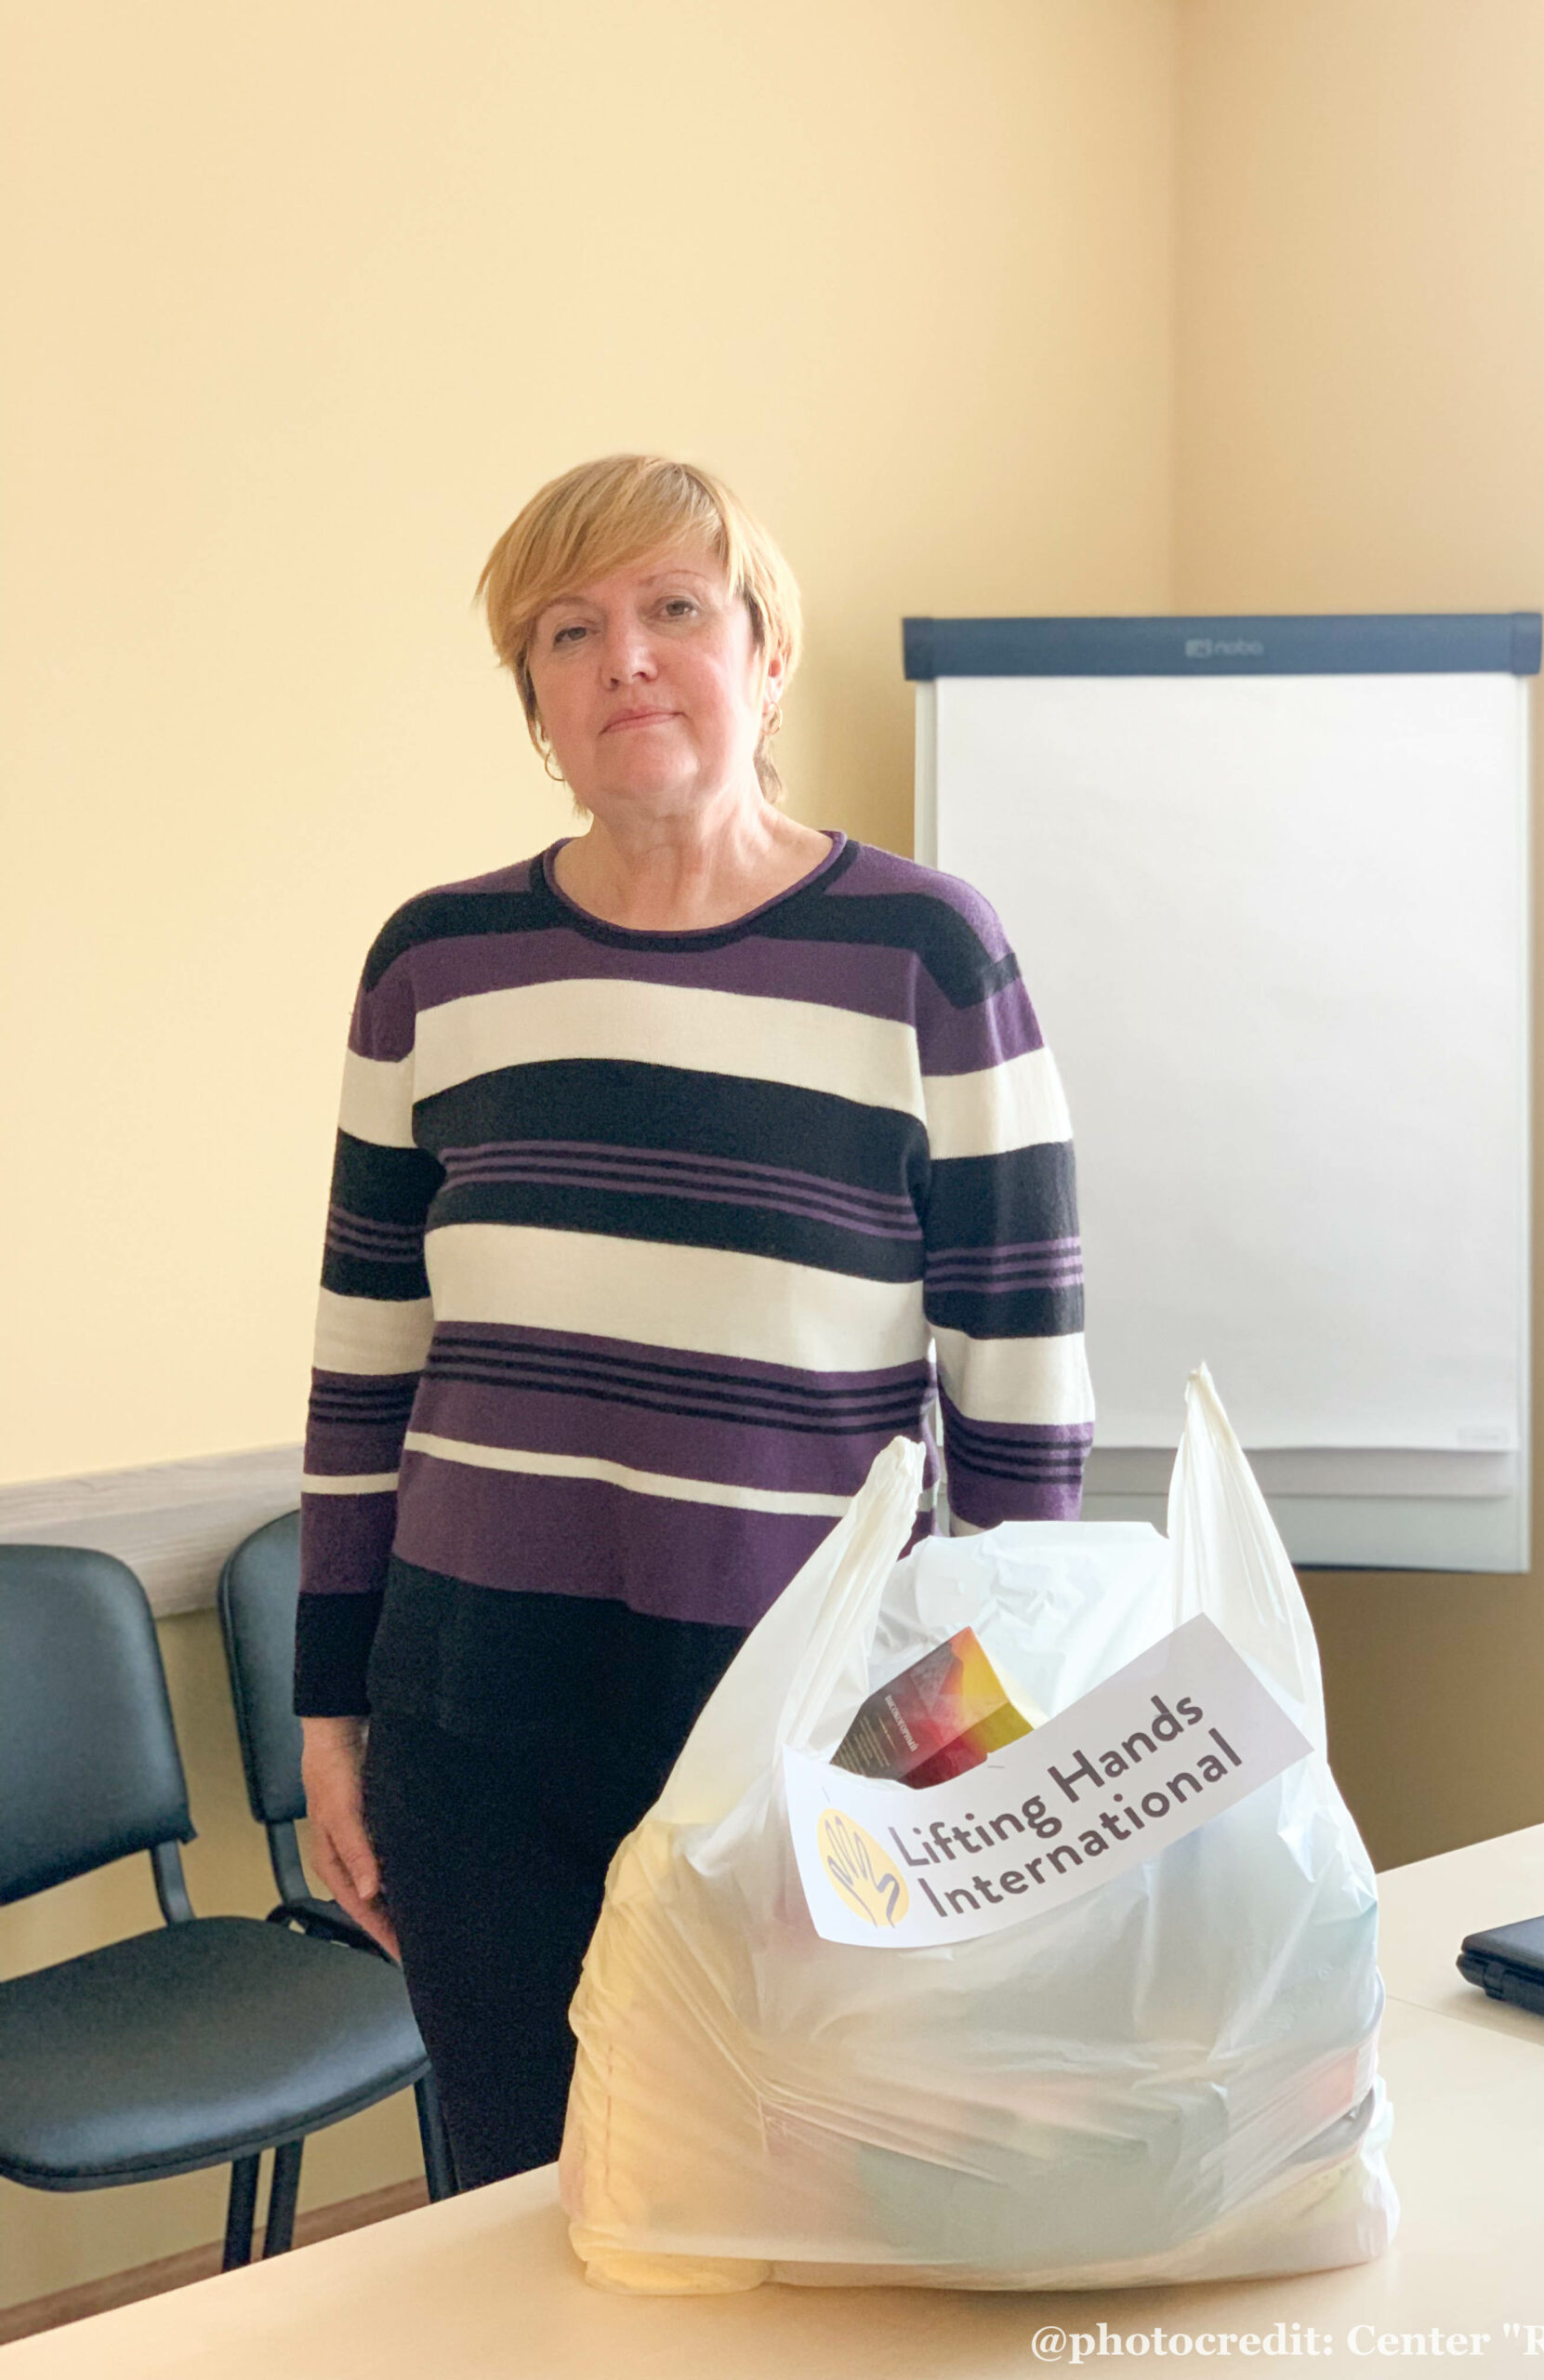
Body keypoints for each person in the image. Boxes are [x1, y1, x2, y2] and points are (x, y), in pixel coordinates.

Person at [295, 454, 1093, 2189]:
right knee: (519, 2193)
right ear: (535, 700)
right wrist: (330, 1715)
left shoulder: (926, 956)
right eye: (569, 632)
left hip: (807, 1723)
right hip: (472, 1719)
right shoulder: (436, 964)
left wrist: (965, 1734)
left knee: (803, 2198)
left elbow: (1023, 1389)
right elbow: (364, 1362)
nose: (627, 660)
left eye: (675, 610)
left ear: (767, 657)